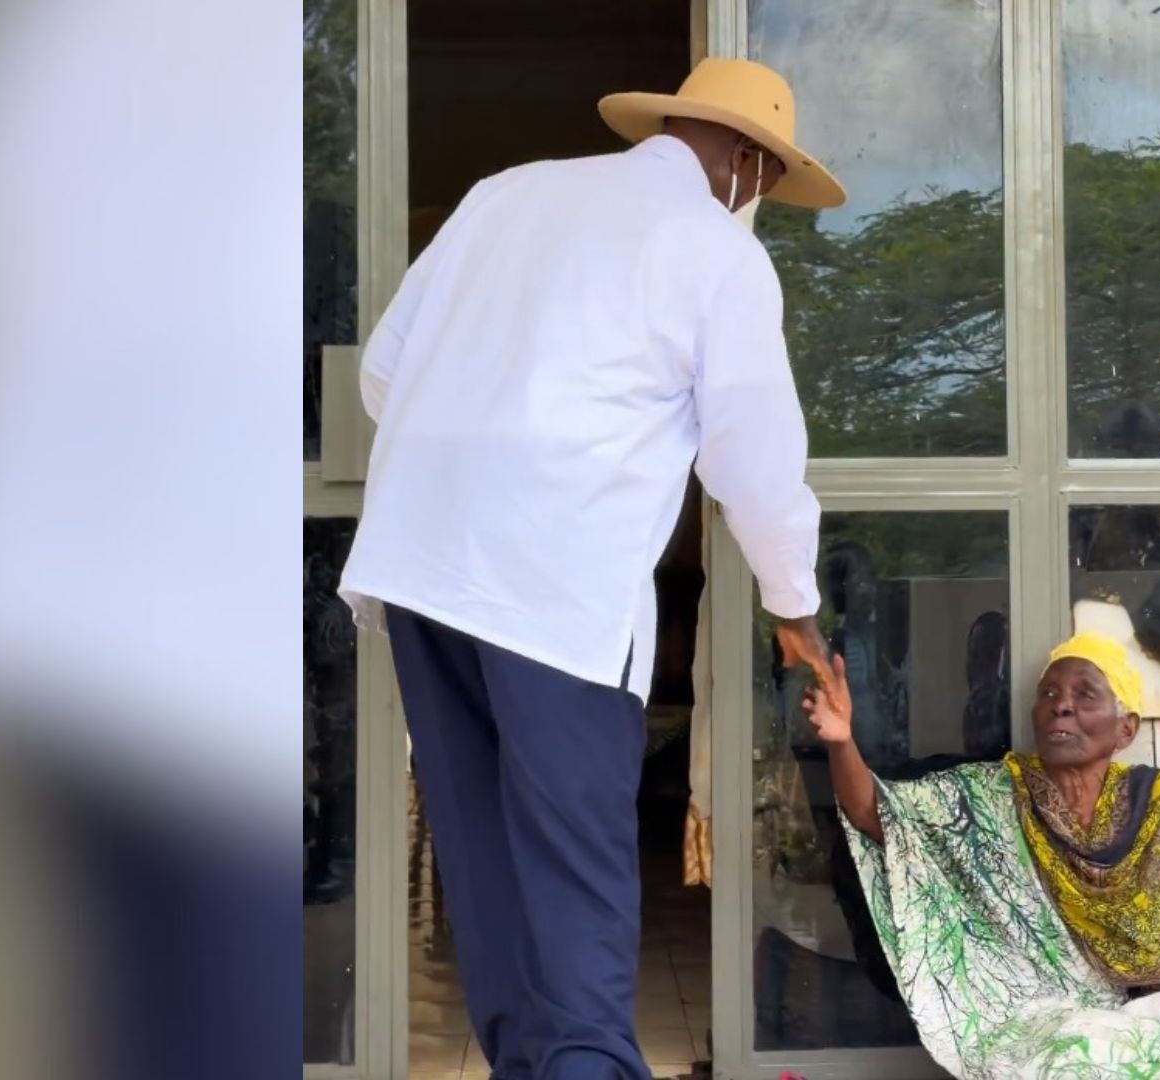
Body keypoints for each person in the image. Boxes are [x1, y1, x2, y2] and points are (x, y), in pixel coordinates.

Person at [338, 59, 844, 1080]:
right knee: (576, 875)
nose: (762, 204)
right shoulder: (715, 253)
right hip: (553, 593)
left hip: (423, 570)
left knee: (484, 869)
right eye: (770, 186)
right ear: (745, 163)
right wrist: (796, 609)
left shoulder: (503, 195)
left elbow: (382, 371)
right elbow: (754, 461)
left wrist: (475, 461)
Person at [804, 633, 1160, 1079]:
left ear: (1125, 728)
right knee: (1076, 1064)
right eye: (1049, 693)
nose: (1062, 705)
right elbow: (875, 813)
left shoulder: (1156, 801)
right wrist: (842, 742)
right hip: (1046, 1011)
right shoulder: (993, 794)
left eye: (1084, 694)